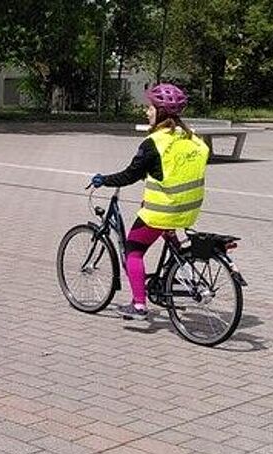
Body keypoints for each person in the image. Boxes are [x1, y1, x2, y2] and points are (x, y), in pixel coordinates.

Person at [90, 83, 210, 320]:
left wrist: (103, 179)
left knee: (133, 252)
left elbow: (129, 175)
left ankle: (138, 305)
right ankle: (172, 277)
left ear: (161, 112)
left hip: (162, 210)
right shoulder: (193, 138)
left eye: (150, 107)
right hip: (189, 209)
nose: (147, 112)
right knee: (166, 234)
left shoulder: (154, 143)